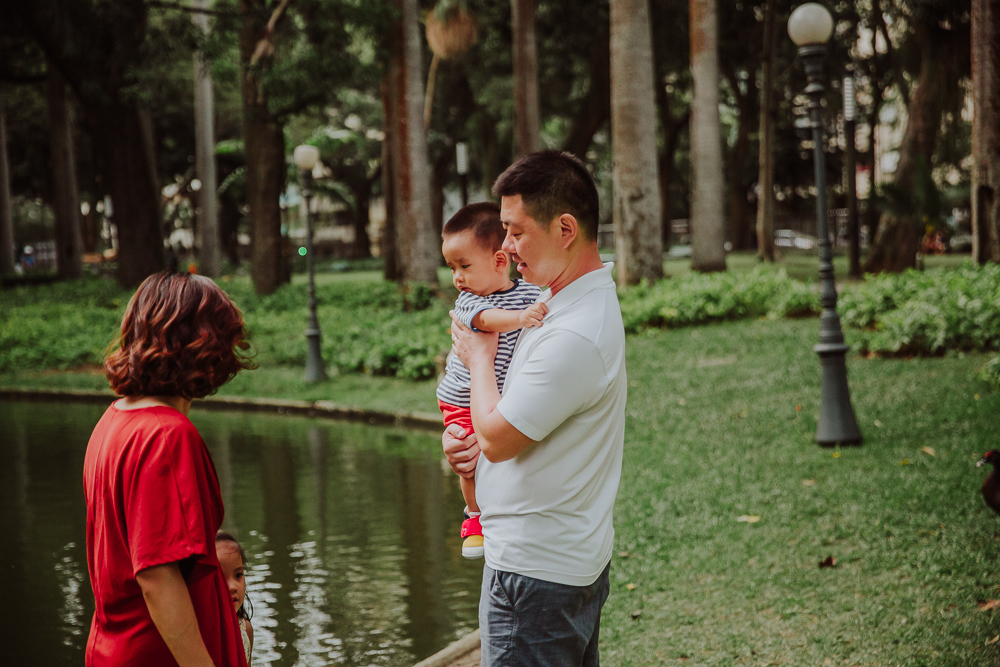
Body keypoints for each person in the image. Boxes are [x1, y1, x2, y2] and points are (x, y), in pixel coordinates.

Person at [443, 151, 627, 667]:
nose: (504, 247)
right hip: (549, 565)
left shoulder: (573, 331)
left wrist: (478, 356)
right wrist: (461, 440)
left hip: (535, 579)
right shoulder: (558, 303)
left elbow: (499, 439)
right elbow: (497, 420)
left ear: (565, 228)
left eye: (515, 231)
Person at [84, 272, 255, 667]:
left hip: (114, 647)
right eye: (223, 336)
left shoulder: (112, 422)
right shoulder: (165, 435)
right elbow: (157, 577)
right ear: (199, 344)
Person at [436, 202, 545, 559]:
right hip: (461, 396)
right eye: (452, 268)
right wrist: (520, 318)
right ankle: (474, 517)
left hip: (497, 393)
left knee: (490, 450)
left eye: (464, 266)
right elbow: (485, 321)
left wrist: (529, 312)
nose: (457, 278)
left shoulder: (527, 293)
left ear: (500, 261)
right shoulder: (470, 301)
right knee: (468, 454)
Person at [216, 532, 254, 666]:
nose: (233, 587)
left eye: (238, 575)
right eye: (221, 577)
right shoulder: (196, 635)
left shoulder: (246, 630)